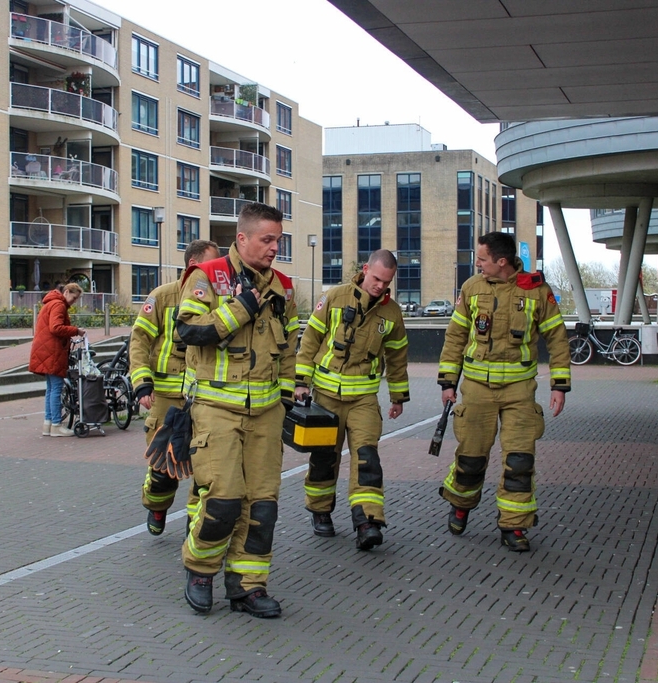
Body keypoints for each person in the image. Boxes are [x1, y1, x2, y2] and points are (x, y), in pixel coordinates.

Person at [175, 202, 298, 618]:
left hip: (266, 414)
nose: (274, 248)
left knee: (262, 507)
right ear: (241, 238)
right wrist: (241, 306)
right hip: (216, 409)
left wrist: (286, 399)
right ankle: (200, 570)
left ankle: (247, 587)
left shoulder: (283, 286)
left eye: (278, 240)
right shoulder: (207, 276)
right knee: (223, 500)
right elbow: (188, 329)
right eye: (267, 239)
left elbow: (289, 349)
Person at [437, 232, 570, 552]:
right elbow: (455, 337)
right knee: (470, 458)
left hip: (519, 393)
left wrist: (559, 385)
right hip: (477, 391)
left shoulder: (537, 291)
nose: (477, 264)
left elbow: (557, 339)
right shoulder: (471, 288)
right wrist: (448, 382)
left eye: (482, 259)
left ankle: (514, 525)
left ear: (501, 261)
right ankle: (461, 505)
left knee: (520, 462)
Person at [293, 249, 409, 550]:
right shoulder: (334, 297)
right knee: (324, 458)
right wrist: (301, 382)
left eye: (387, 282)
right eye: (377, 279)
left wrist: (398, 397)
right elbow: (310, 340)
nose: (381, 286)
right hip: (326, 396)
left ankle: (367, 521)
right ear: (365, 269)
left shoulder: (392, 313)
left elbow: (397, 357)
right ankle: (320, 510)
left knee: (367, 458)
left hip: (363, 399)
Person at [129, 239, 221, 536]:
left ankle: (195, 526)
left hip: (203, 398)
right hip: (165, 398)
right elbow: (139, 341)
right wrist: (142, 383)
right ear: (194, 265)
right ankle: (157, 506)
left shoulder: (217, 297)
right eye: (211, 263)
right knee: (163, 466)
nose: (216, 270)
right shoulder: (162, 296)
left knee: (204, 467)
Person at [29, 283, 86, 437]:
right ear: (66, 292)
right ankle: (56, 424)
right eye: (74, 297)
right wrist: (76, 330)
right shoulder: (59, 305)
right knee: (56, 388)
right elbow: (56, 327)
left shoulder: (50, 303)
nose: (74, 301)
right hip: (53, 351)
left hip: (44, 350)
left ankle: (47, 424)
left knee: (50, 388)